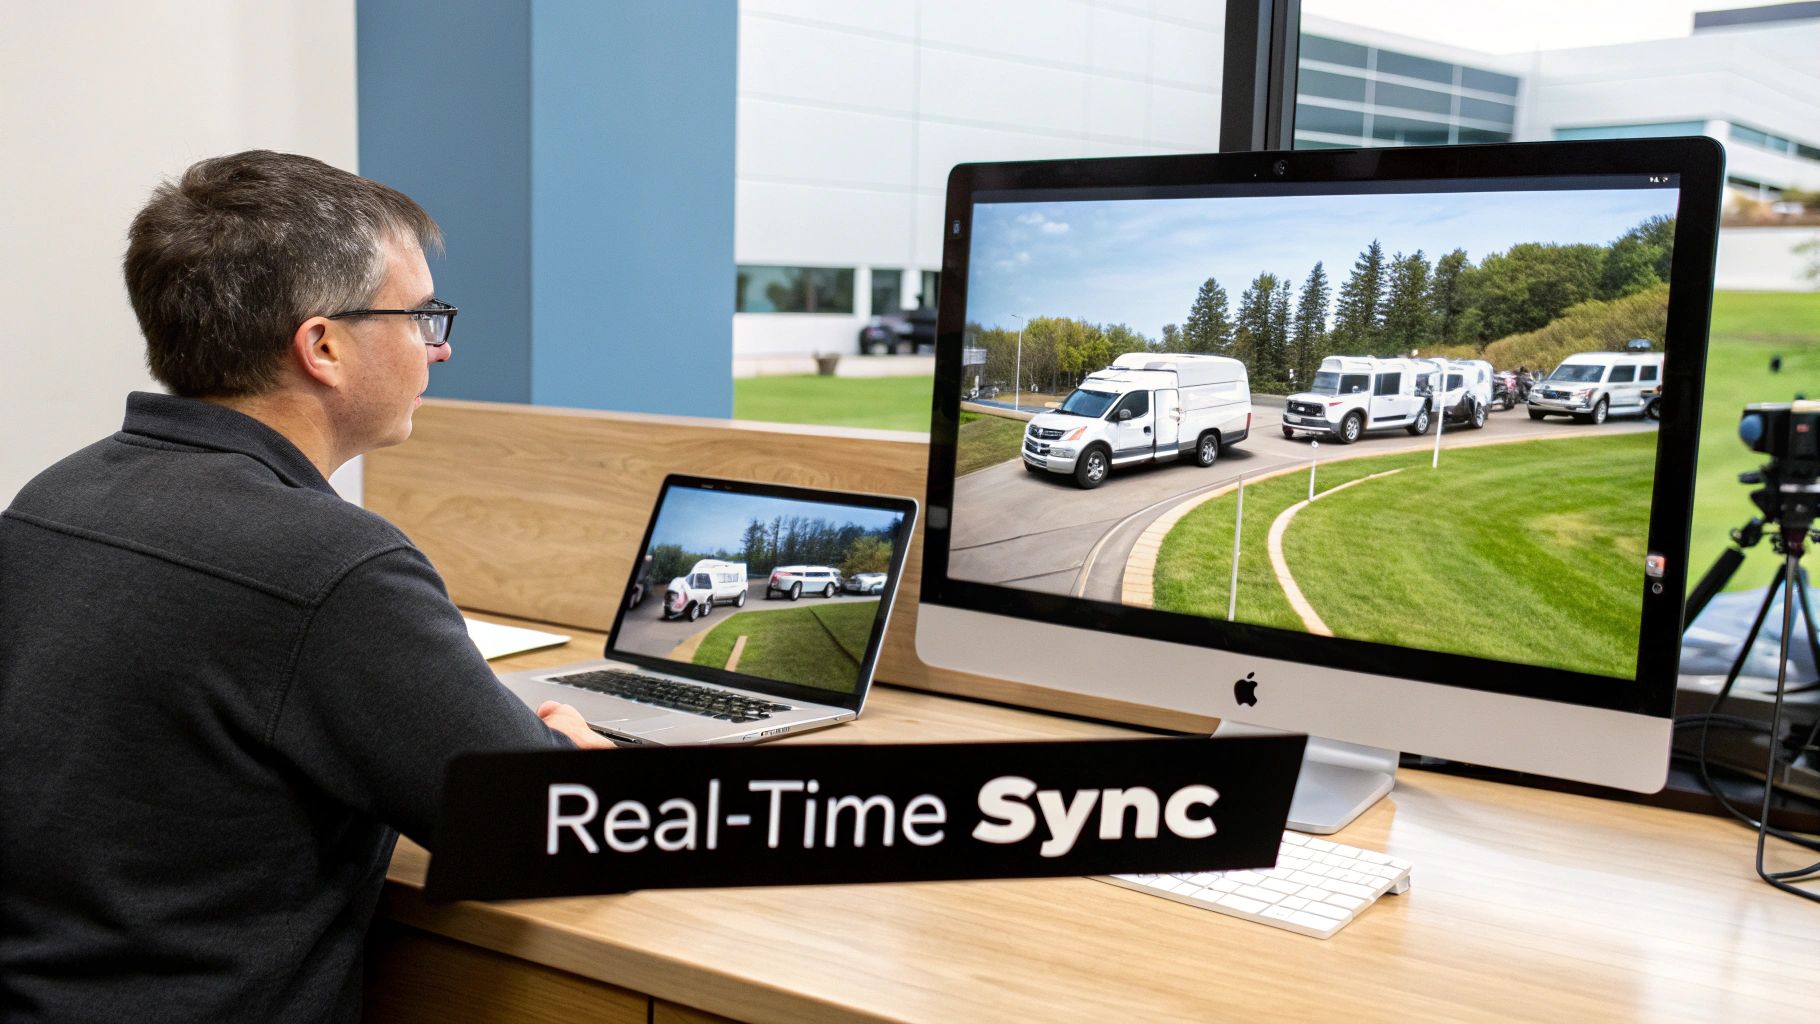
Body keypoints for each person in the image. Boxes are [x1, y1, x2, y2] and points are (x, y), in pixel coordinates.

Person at [0, 151, 611, 1022]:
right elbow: (557, 833)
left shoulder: (56, 494)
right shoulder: (331, 566)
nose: (439, 349)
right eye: (421, 317)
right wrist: (574, 746)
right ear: (323, 346)